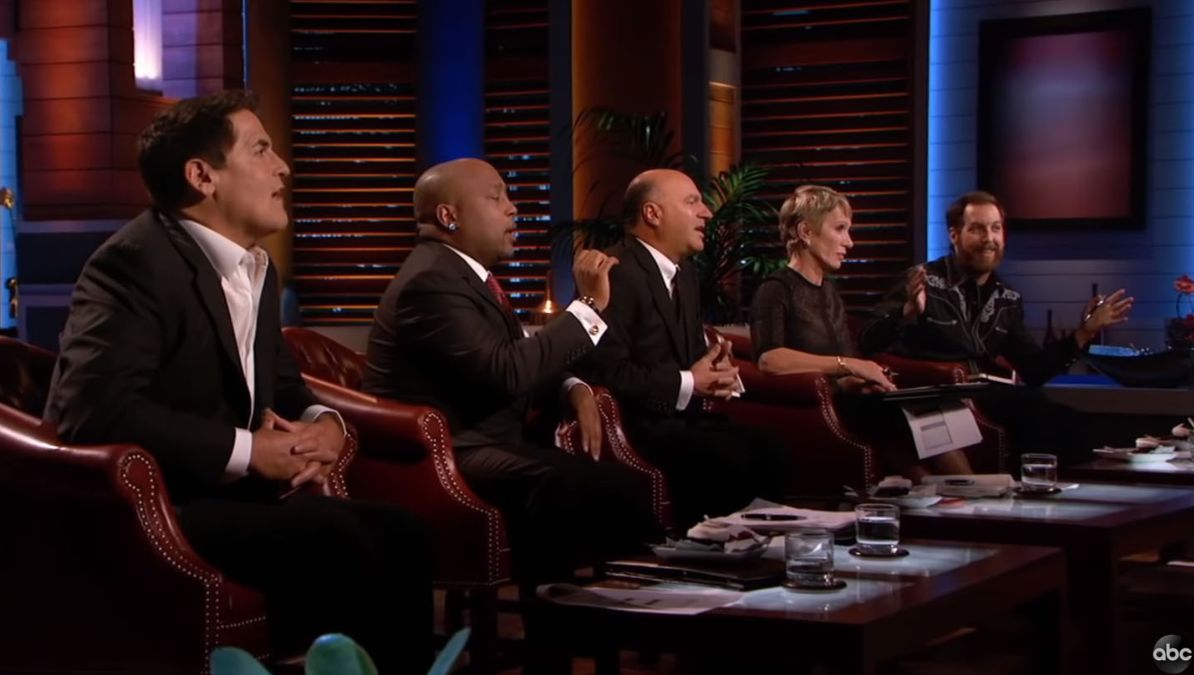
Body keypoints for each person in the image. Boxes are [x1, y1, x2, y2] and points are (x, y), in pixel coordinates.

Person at [43, 91, 433, 674]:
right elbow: (96, 410)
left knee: (402, 530)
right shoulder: (134, 263)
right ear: (203, 176)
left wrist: (324, 426)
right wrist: (252, 452)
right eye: (261, 150)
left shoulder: (256, 266)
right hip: (159, 507)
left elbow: (286, 385)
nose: (284, 168)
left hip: (232, 501)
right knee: (340, 541)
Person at [362, 157, 657, 675]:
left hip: (489, 441)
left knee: (620, 484)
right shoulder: (431, 281)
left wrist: (574, 387)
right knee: (563, 483)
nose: (513, 209)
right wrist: (588, 307)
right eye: (497, 197)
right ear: (450, 216)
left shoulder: (465, 277)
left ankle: (625, 628)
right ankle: (556, 651)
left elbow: (520, 355)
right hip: (443, 455)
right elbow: (505, 373)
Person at [577, 168, 790, 528]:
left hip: (684, 419)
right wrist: (690, 382)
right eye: (693, 202)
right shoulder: (614, 271)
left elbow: (692, 360)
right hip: (638, 423)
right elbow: (605, 370)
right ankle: (711, 558)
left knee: (770, 448)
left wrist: (718, 372)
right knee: (726, 458)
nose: (707, 212)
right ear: (652, 214)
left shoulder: (686, 273)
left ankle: (762, 556)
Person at [859, 190, 1134, 462]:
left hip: (989, 396)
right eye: (977, 229)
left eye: (995, 229)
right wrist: (905, 313)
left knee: (1064, 419)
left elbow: (1033, 370)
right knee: (1046, 416)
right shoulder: (922, 281)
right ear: (954, 235)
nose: (989, 239)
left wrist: (1084, 331)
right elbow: (867, 342)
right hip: (937, 398)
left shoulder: (1008, 299)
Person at [751, 185, 973, 478]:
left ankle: (959, 499)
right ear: (805, 232)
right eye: (840, 229)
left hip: (849, 399)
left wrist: (856, 378)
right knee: (898, 416)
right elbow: (769, 360)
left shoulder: (829, 291)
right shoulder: (774, 289)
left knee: (940, 405)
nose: (850, 242)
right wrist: (849, 366)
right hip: (818, 410)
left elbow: (842, 361)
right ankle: (951, 503)